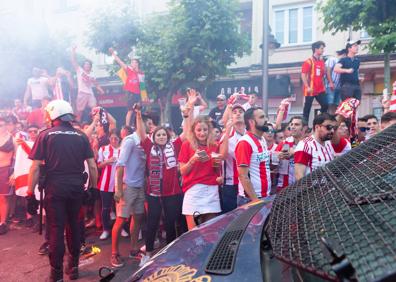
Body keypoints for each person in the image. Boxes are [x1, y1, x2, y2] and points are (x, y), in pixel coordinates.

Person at [27, 100, 98, 281]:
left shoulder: (45, 135)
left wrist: (29, 194)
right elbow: (92, 166)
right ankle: (73, 269)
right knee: (74, 228)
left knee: (55, 230)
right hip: (76, 188)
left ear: (53, 115)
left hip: (54, 189)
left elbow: (35, 168)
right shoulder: (81, 136)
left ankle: (56, 274)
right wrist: (93, 189)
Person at [135, 107, 189, 266]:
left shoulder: (175, 146)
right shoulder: (148, 146)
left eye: (163, 134)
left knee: (171, 223)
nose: (161, 136)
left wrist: (187, 114)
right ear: (153, 137)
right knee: (152, 223)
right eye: (158, 134)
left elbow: (186, 132)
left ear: (168, 136)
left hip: (172, 193)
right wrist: (138, 117)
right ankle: (148, 253)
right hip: (153, 194)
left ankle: (170, 253)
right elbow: (141, 133)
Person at [110, 115, 150, 268]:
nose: (150, 127)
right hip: (127, 186)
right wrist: (119, 189)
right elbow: (120, 166)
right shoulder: (129, 140)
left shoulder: (145, 142)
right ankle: (114, 253)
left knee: (138, 217)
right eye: (148, 124)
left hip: (140, 187)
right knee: (121, 219)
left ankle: (133, 249)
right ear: (138, 124)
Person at [179, 115, 230, 230]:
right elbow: (182, 171)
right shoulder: (187, 145)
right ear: (193, 131)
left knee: (210, 232)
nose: (202, 133)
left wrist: (220, 178)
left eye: (205, 130)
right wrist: (193, 160)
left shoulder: (214, 146)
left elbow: (217, 169)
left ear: (209, 130)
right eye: (199, 130)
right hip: (193, 190)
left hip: (211, 190)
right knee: (193, 232)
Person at [235, 107, 271, 204]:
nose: (266, 120)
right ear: (251, 122)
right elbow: (243, 176)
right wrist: (255, 200)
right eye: (262, 117)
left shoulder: (262, 139)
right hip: (250, 199)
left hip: (265, 196)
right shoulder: (245, 142)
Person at [219, 103, 246, 213]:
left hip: (246, 182)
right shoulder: (227, 135)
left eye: (240, 112)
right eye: (234, 112)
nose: (238, 114)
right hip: (231, 183)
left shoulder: (249, 134)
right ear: (231, 117)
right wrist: (226, 133)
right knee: (230, 216)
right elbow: (222, 156)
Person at [294, 113, 336, 180]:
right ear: (317, 127)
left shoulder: (328, 144)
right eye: (329, 127)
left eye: (334, 128)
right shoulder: (305, 145)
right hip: (311, 189)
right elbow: (299, 176)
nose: (332, 131)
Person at [97, 129, 121, 240]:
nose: (113, 140)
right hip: (105, 184)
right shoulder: (103, 149)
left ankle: (122, 228)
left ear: (119, 139)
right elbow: (98, 165)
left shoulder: (123, 150)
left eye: (116, 138)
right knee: (106, 208)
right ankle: (106, 229)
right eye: (111, 138)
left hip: (120, 184)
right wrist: (107, 161)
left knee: (120, 209)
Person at [71, 46, 105, 121]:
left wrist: (101, 90)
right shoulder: (80, 70)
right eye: (86, 64)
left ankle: (96, 124)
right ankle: (78, 126)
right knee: (79, 111)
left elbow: (96, 84)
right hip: (82, 93)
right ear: (83, 65)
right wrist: (73, 51)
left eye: (88, 64)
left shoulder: (92, 75)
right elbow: (73, 61)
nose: (87, 65)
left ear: (90, 66)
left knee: (95, 109)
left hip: (90, 93)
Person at [275, 116, 307, 191]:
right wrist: (278, 156)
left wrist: (295, 153)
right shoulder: (285, 142)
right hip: (284, 187)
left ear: (304, 128)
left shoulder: (309, 143)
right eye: (291, 124)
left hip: (303, 187)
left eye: (296, 125)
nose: (293, 127)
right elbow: (273, 159)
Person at [301, 41, 330, 123]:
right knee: (307, 108)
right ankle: (304, 125)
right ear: (315, 49)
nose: (323, 50)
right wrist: (307, 87)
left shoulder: (322, 61)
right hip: (311, 89)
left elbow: (323, 73)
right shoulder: (308, 61)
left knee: (325, 105)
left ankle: (320, 118)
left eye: (323, 48)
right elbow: (303, 75)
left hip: (320, 89)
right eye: (321, 48)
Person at [0, 117, 15, 235]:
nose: (1, 127)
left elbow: (17, 158)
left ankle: (2, 222)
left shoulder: (12, 139)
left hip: (5, 169)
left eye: (3, 125)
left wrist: (14, 173)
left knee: (2, 198)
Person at [326, 49, 347, 113]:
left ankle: (333, 117)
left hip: (338, 86)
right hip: (331, 85)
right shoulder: (333, 59)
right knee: (330, 103)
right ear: (344, 54)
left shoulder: (343, 63)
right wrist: (331, 83)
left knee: (336, 104)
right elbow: (328, 71)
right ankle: (329, 116)